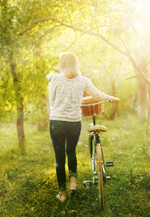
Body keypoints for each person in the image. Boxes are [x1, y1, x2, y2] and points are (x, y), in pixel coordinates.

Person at [48, 52, 119, 202]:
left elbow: (52, 102)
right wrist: (111, 98)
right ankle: (73, 182)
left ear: (62, 65)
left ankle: (62, 193)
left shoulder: (55, 79)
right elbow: (98, 94)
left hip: (57, 122)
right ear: (76, 64)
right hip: (74, 122)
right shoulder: (83, 80)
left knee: (59, 157)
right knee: (71, 151)